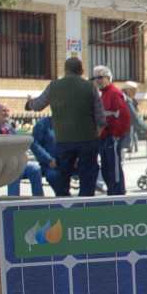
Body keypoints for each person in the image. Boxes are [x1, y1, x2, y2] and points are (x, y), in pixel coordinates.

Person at [25, 56, 104, 197]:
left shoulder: (54, 86)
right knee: (88, 175)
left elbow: (38, 105)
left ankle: (65, 204)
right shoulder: (90, 87)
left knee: (63, 176)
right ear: (81, 70)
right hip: (87, 139)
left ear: (65, 70)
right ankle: (85, 206)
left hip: (64, 140)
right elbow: (100, 117)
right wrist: (96, 134)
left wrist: (29, 103)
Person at [0, 104, 46, 196]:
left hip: (14, 162)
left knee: (35, 169)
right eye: (3, 110)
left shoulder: (10, 129)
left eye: (8, 111)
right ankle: (13, 201)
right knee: (14, 171)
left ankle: (39, 200)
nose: (6, 113)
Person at [92, 66, 130, 195]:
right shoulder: (103, 94)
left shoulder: (114, 93)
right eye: (95, 78)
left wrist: (116, 135)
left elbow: (124, 116)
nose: (97, 80)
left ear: (109, 78)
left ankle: (118, 193)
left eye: (100, 77)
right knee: (106, 168)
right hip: (104, 138)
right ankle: (112, 192)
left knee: (114, 168)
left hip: (112, 137)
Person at [118, 81, 147, 154]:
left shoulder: (121, 98)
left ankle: (133, 147)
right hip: (120, 137)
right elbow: (135, 118)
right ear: (128, 90)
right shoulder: (126, 100)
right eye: (134, 90)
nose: (136, 93)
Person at [30, 116, 62, 191]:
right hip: (51, 165)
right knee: (53, 176)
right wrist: (48, 159)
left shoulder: (73, 123)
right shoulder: (43, 124)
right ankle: (64, 197)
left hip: (72, 162)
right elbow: (34, 144)